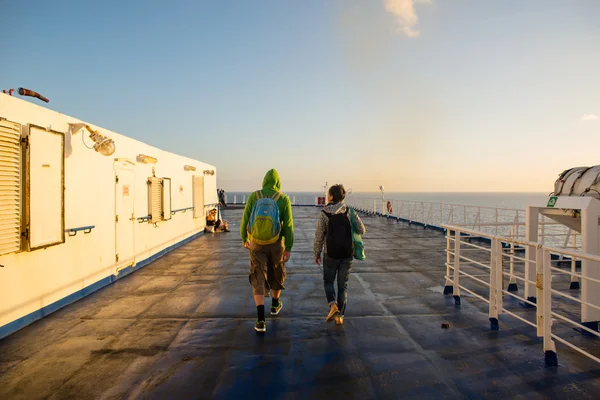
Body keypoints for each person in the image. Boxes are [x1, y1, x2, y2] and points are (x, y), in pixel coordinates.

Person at [240, 169, 294, 333]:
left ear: (264, 181)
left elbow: (245, 219)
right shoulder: (283, 198)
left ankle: (260, 320)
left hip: (256, 243)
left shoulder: (254, 196)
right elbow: (289, 226)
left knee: (258, 275)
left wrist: (244, 238)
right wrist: (288, 247)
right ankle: (275, 304)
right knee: (277, 272)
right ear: (277, 183)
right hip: (276, 242)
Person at [313, 184, 366, 325]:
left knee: (328, 281)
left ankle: (333, 305)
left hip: (330, 254)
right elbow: (362, 230)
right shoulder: (350, 212)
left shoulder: (325, 213)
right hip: (347, 254)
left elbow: (319, 236)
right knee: (343, 285)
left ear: (331, 196)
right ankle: (340, 317)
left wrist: (316, 253)